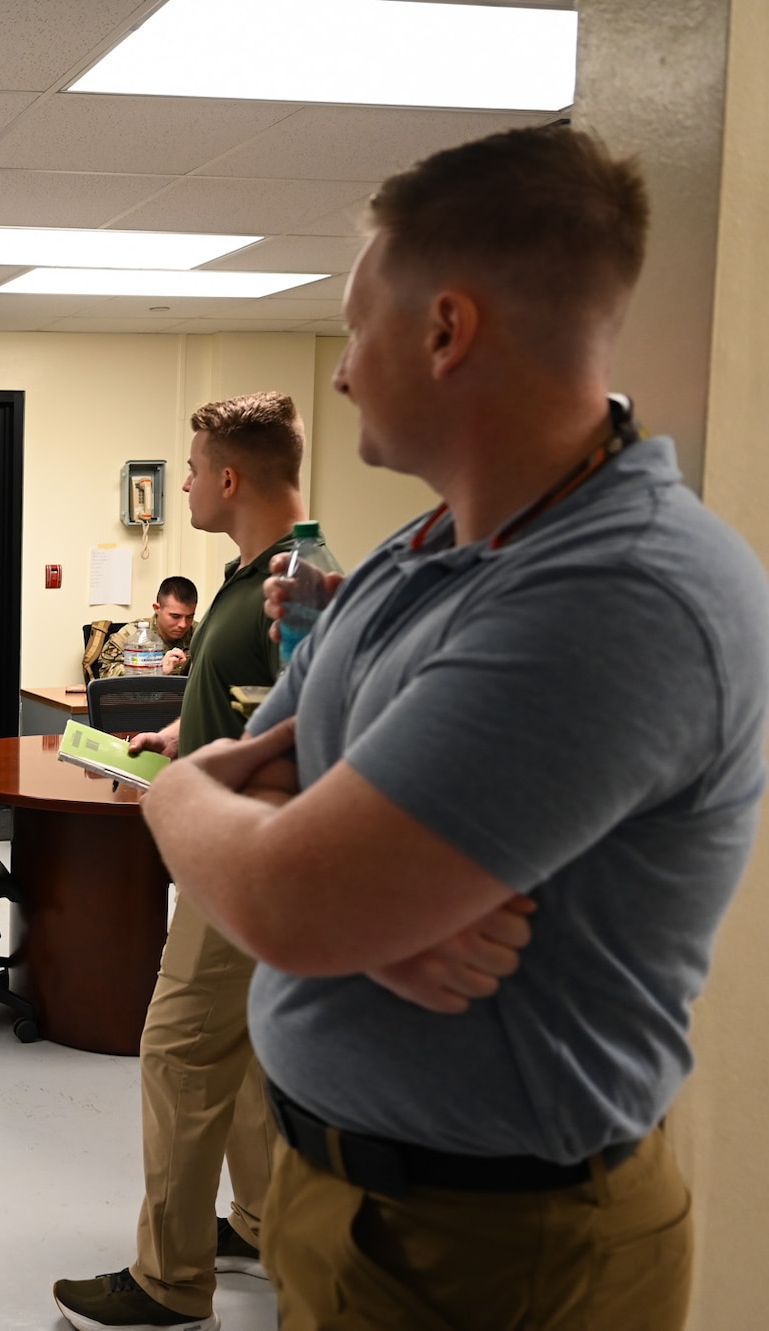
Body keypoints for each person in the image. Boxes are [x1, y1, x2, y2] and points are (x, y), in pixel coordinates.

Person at [143, 125, 768, 1331]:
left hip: (500, 1249)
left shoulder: (619, 591)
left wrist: (192, 812)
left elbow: (273, 868)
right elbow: (286, 791)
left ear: (443, 329)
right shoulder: (419, 552)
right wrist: (363, 911)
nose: (334, 372)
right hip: (345, 1199)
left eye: (350, 326)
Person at [54, 392, 310, 1331]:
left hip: (245, 865)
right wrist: (178, 734)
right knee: (238, 1057)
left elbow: (315, 740)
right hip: (237, 851)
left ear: (231, 479)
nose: (189, 484)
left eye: (196, 471)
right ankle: (259, 1220)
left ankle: (168, 1282)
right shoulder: (253, 582)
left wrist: (196, 779)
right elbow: (259, 714)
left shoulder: (293, 587)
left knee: (177, 1052)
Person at [86, 576, 200, 678]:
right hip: (138, 700)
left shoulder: (201, 633)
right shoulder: (130, 636)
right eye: (175, 616)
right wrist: (154, 671)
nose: (183, 624)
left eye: (190, 616)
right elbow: (105, 673)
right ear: (157, 608)